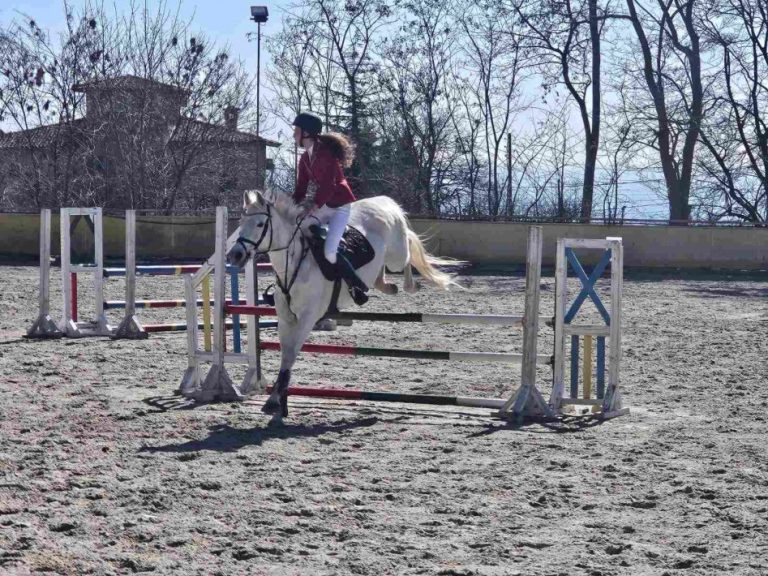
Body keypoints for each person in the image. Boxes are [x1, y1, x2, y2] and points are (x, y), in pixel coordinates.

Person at [292, 112, 368, 305]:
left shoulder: (325, 153)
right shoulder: (305, 158)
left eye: (296, 130)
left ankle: (356, 285)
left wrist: (314, 205)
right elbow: (301, 188)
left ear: (306, 133)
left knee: (330, 252)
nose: (294, 134)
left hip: (340, 206)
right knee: (300, 230)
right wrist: (289, 206)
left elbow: (329, 186)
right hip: (324, 204)